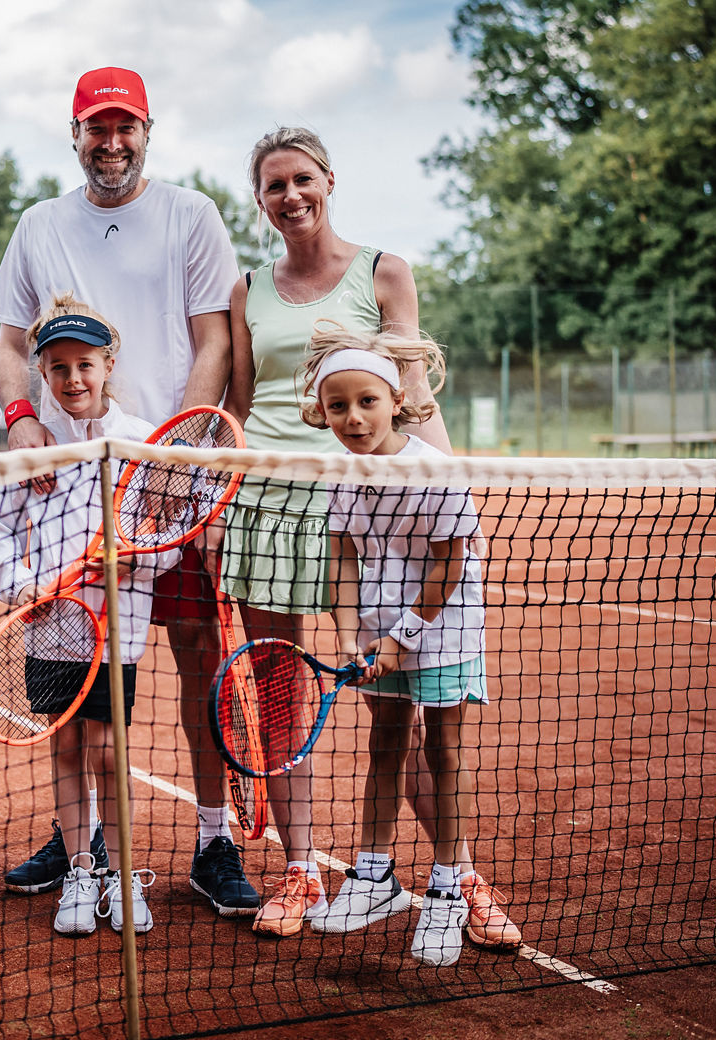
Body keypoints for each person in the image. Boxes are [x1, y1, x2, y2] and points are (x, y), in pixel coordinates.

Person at [224, 127, 520, 951]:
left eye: (303, 178)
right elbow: (244, 404)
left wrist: (446, 482)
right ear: (261, 200)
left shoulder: (383, 270)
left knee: (420, 717)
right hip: (277, 507)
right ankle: (304, 870)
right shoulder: (249, 286)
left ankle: (456, 877)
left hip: (382, 504)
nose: (291, 195)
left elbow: (414, 389)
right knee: (287, 693)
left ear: (329, 180)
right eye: (275, 185)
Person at [0, 67, 259, 917]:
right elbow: (5, 347)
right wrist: (24, 415)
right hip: (73, 492)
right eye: (96, 128)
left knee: (198, 661)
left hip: (176, 483)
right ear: (74, 134)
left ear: (148, 130)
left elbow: (213, 343)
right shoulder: (38, 224)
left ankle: (212, 839)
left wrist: (180, 457)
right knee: (84, 681)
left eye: (125, 126)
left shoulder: (192, 215)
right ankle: (86, 844)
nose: (111, 142)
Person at [295, 325, 504, 967]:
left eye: (366, 402)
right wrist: (353, 636)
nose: (352, 418)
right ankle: (374, 877)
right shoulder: (341, 473)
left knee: (442, 751)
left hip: (445, 629)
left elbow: (447, 567)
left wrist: (399, 637)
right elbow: (345, 562)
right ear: (322, 412)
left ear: (393, 401)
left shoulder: (433, 470)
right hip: (378, 629)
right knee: (384, 742)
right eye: (338, 406)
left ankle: (446, 891)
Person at [0, 294, 171, 935]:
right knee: (67, 746)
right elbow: (3, 530)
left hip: (116, 627)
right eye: (58, 366)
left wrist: (138, 563)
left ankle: (122, 880)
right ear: (41, 371)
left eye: (85, 364)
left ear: (109, 365)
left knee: (109, 751)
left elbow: (165, 532)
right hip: (50, 627)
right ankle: (79, 873)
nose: (73, 379)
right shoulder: (32, 444)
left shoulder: (142, 441)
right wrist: (25, 589)